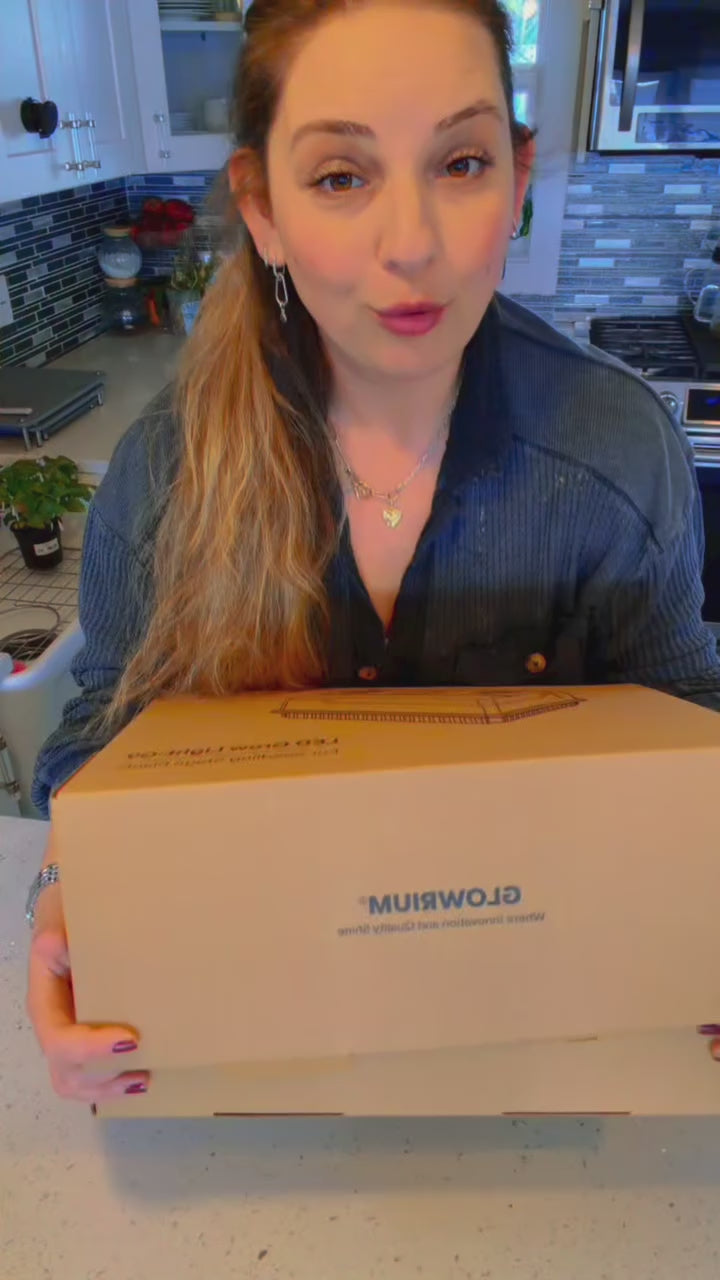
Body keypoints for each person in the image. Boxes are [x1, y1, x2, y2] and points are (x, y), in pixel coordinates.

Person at [26, 0, 720, 1104]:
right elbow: (96, 740)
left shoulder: (615, 451)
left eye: (461, 162)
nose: (412, 245)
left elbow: (690, 727)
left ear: (518, 178)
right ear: (263, 211)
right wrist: (67, 895)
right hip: (255, 1067)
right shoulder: (168, 474)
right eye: (342, 176)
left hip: (551, 1063)